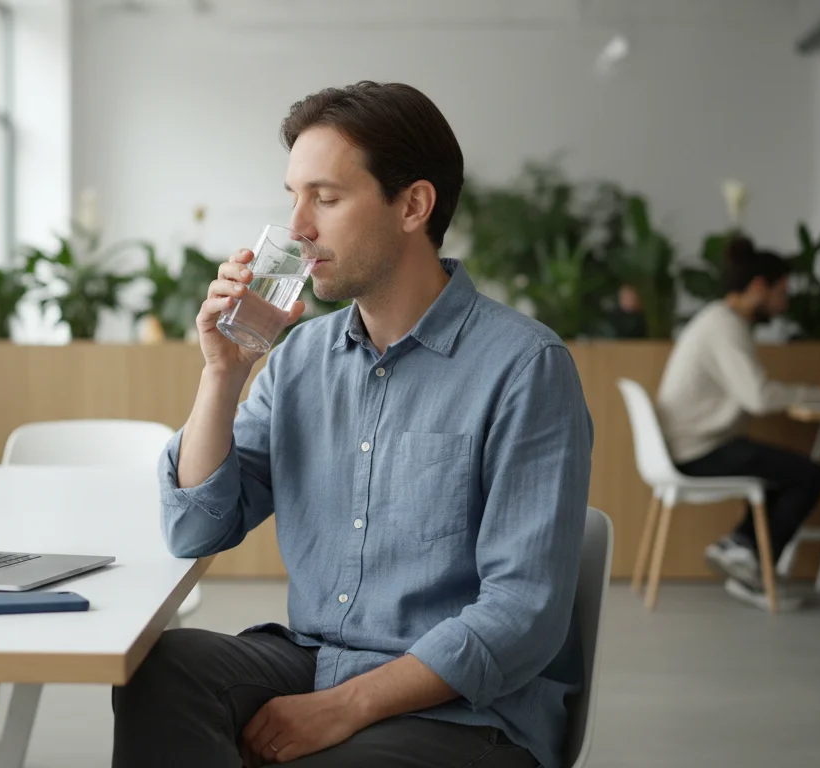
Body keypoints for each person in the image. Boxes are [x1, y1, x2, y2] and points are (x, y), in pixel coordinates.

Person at [111, 81, 593, 768]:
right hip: (312, 660)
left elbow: (523, 614)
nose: (298, 226)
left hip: (464, 709)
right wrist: (224, 372)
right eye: (293, 197)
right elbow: (196, 529)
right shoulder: (298, 358)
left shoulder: (526, 367)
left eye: (326, 198)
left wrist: (345, 707)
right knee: (165, 668)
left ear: (413, 205)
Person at [655, 236, 820, 610]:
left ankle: (741, 550)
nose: (784, 304)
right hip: (698, 450)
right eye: (781, 292)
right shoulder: (725, 326)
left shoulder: (720, 321)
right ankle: (745, 555)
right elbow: (759, 397)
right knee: (810, 475)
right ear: (757, 288)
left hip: (695, 444)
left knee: (779, 471)